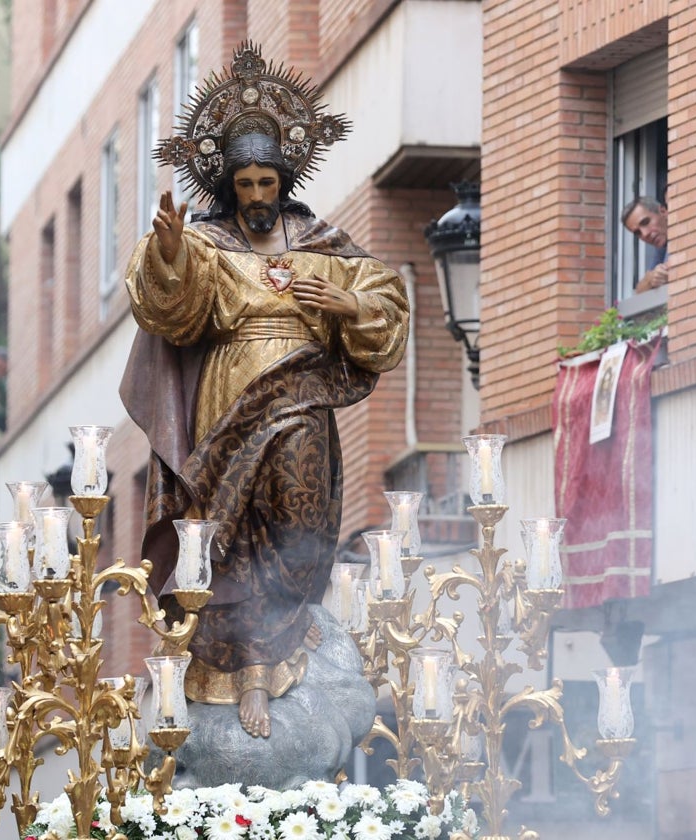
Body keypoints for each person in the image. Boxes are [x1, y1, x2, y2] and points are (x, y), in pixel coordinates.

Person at [118, 44, 409, 740]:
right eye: (243, 184)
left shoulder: (321, 240)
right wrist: (167, 254)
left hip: (303, 400)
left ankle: (284, 646)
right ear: (230, 186)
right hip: (229, 398)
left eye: (265, 183)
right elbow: (174, 311)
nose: (255, 196)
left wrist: (341, 306)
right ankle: (245, 668)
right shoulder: (210, 243)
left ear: (283, 179)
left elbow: (390, 306)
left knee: (298, 528)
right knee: (230, 535)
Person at [621, 196, 668, 292]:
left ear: (663, 212)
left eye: (645, 222)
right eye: (638, 233)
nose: (645, 234)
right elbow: (639, 291)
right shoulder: (661, 249)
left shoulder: (683, 233)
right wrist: (649, 280)